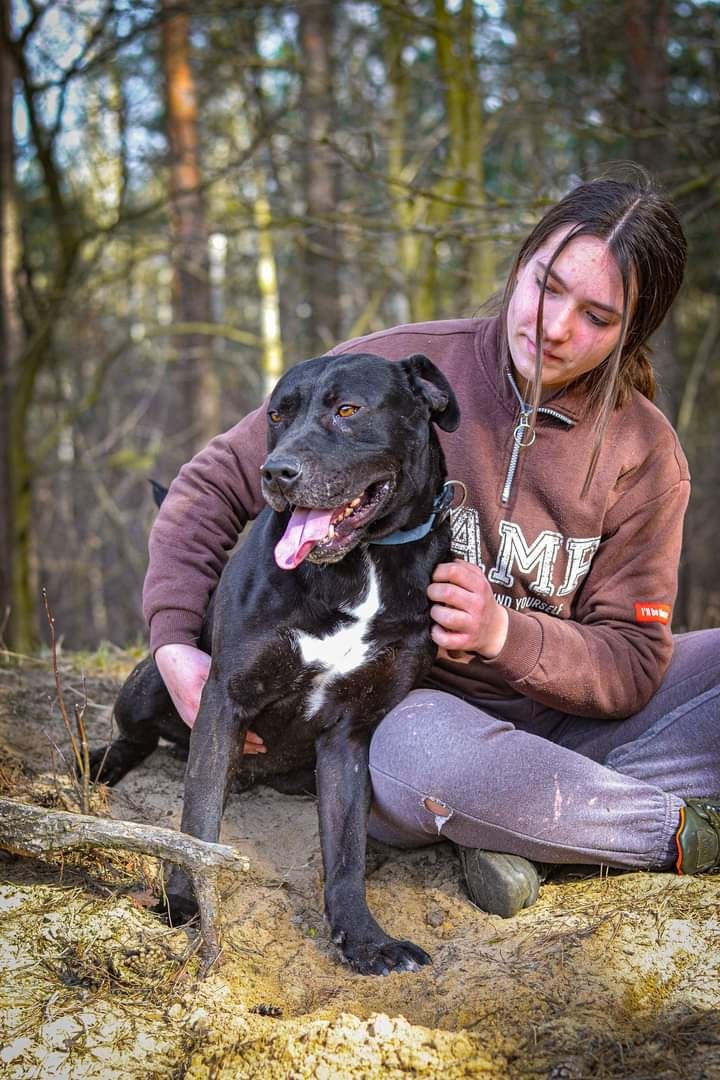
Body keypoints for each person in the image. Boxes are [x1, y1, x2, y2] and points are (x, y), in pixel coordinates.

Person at [143, 174, 720, 918]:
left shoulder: (645, 451)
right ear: (521, 265)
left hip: (573, 718)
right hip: (422, 716)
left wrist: (506, 634)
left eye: (597, 317)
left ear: (631, 333)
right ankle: (668, 830)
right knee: (427, 763)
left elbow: (638, 664)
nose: (553, 326)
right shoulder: (389, 371)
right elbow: (214, 483)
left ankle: (538, 826)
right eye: (546, 287)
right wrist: (172, 640)